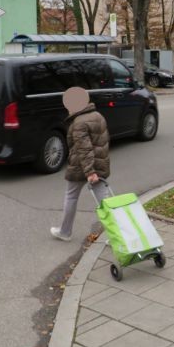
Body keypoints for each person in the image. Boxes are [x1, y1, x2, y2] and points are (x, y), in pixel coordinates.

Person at [50, 86, 111, 241]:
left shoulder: (78, 122)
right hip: (99, 165)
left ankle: (64, 232)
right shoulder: (98, 116)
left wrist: (89, 172)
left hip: (82, 166)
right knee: (106, 203)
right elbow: (103, 142)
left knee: (71, 197)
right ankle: (116, 236)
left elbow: (84, 149)